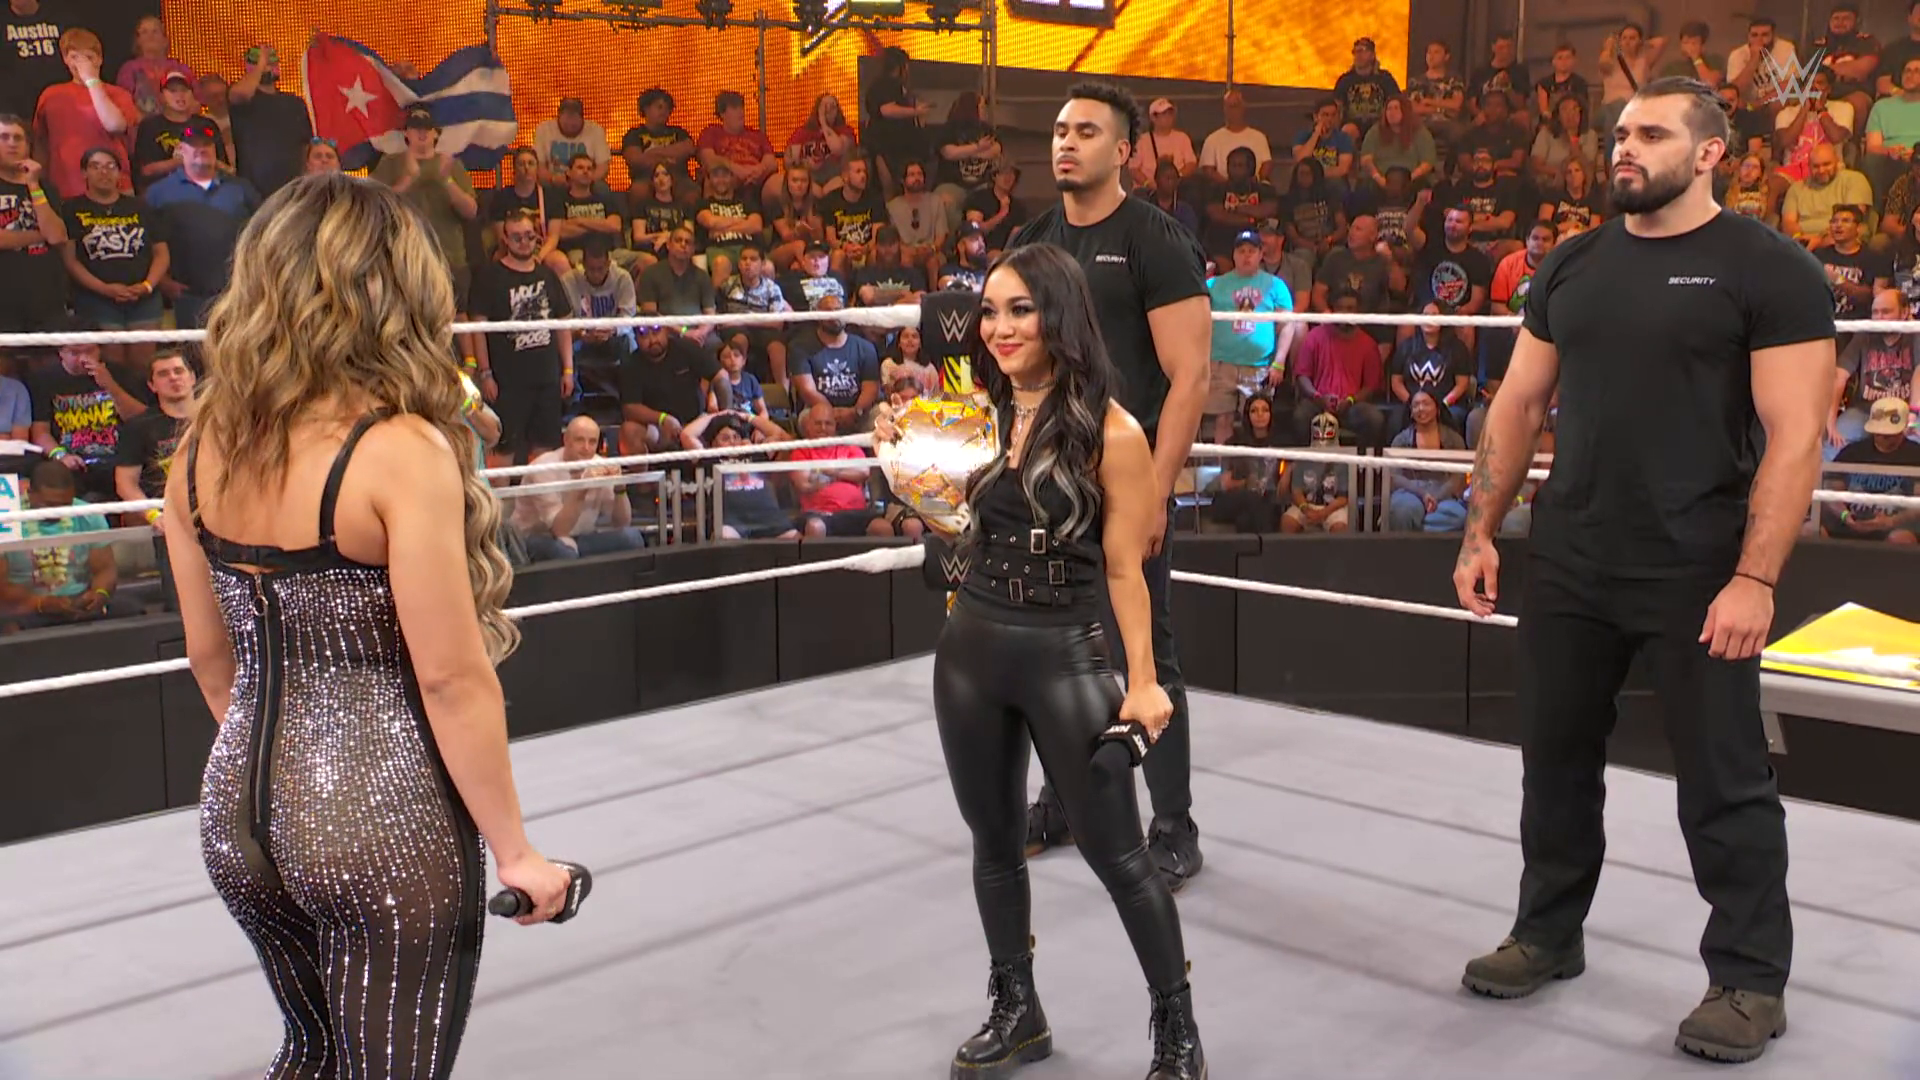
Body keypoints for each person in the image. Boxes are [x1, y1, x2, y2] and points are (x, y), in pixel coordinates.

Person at [1453, 77, 1834, 1065]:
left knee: (1723, 777)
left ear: (1709, 154)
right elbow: (1518, 402)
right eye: (1620, 132)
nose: (1624, 147)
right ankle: (1548, 932)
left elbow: (1797, 435)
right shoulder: (1574, 263)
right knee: (1554, 759)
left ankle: (1750, 979)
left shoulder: (1770, 268)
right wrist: (1480, 529)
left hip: (1698, 564)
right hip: (1572, 553)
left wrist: (1755, 578)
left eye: (1651, 134)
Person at [165, 172, 574, 1076]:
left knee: (310, 1054)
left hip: (239, 813)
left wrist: (286, 775)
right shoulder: (397, 450)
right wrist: (516, 851)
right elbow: (450, 678)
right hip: (379, 820)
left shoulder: (200, 446)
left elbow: (208, 658)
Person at [879, 243, 1204, 1080]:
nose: (1000, 327)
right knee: (994, 844)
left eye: (1020, 309)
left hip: (1064, 655)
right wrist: (905, 462)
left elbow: (1128, 571)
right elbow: (952, 523)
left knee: (1120, 856)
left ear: (1059, 314)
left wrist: (1144, 682)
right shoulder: (969, 416)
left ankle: (1178, 1034)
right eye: (990, 311)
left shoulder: (1113, 431)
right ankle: (1017, 1010)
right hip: (970, 652)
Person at [1004, 81, 1212, 890]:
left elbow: (1190, 376)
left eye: (1086, 131)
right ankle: (1063, 801)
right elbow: (1015, 359)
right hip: (1048, 478)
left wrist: (1155, 491)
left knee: (1144, 651)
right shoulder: (1032, 240)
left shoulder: (1156, 240)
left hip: (1127, 479)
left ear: (1124, 150)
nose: (1066, 141)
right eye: (1060, 129)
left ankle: (1173, 825)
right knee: (1052, 649)